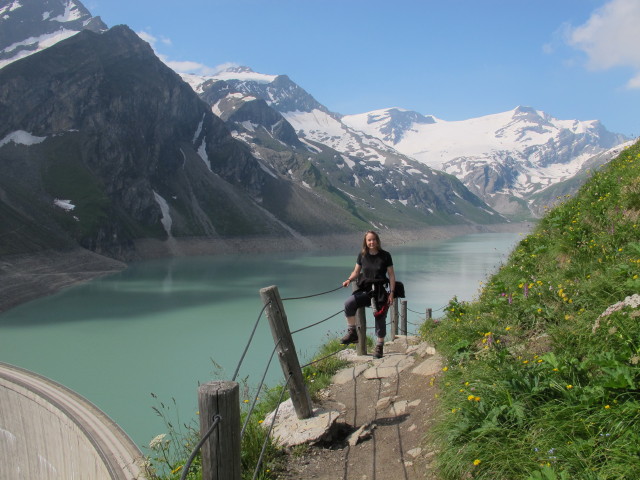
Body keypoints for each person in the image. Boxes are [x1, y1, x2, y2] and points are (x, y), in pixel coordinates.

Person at [341, 230, 396, 358]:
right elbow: (356, 272)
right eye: (369, 240)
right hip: (366, 289)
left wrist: (392, 293)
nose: (371, 242)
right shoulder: (362, 255)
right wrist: (349, 280)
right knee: (349, 303)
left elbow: (391, 275)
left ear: (377, 241)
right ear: (365, 242)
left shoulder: (385, 255)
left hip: (381, 291)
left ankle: (379, 346)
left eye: (373, 239)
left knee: (380, 316)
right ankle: (352, 332)